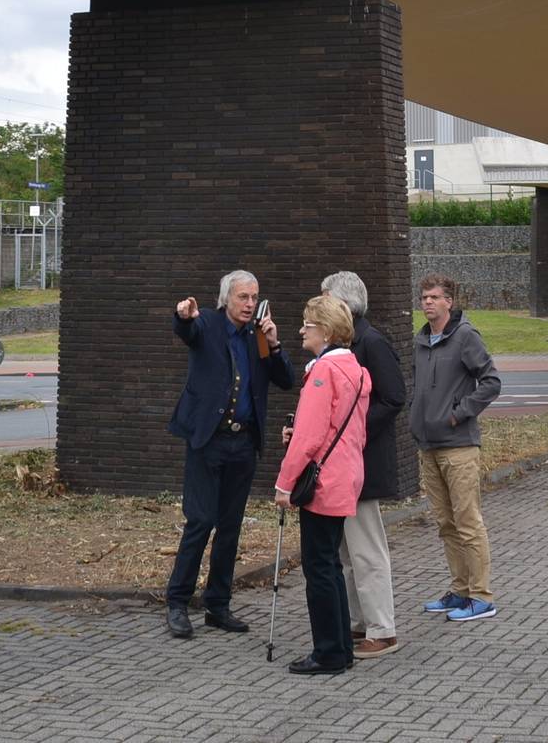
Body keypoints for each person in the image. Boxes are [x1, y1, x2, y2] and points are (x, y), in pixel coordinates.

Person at [163, 269, 293, 640]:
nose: (250, 304)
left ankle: (217, 605)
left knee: (230, 528)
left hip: (243, 444)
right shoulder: (206, 322)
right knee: (200, 521)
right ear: (226, 299)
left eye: (254, 298)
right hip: (208, 440)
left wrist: (275, 343)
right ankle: (177, 601)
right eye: (243, 298)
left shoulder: (259, 337)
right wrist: (182, 316)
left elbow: (285, 380)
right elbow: (186, 331)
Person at [274, 293, 371, 675]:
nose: (301, 329)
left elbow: (309, 437)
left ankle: (328, 651)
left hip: (323, 482)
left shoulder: (322, 372)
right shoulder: (357, 370)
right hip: (347, 474)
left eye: (307, 324)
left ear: (326, 331)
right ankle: (342, 647)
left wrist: (285, 483)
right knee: (330, 563)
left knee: (319, 567)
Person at [320, 270, 406, 660]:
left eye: (325, 301)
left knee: (367, 549)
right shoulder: (346, 346)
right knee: (346, 552)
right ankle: (359, 622)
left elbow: (393, 398)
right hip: (345, 464)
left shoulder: (372, 343)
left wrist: (349, 427)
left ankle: (382, 629)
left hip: (364, 464)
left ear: (343, 306)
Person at [412, 273, 502, 622]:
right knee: (445, 523)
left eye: (434, 297)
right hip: (428, 445)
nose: (428, 303)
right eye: (424, 297)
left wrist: (458, 414)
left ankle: (481, 596)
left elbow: (491, 382)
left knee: (468, 522)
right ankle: (459, 590)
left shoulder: (465, 337)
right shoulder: (421, 341)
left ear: (449, 301)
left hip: (459, 446)